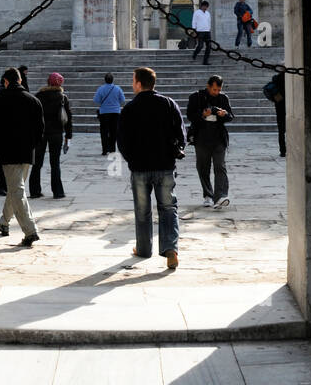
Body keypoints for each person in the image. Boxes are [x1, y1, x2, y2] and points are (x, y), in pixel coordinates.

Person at [116, 65, 186, 270]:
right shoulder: (168, 104)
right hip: (164, 166)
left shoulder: (129, 108)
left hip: (140, 168)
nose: (131, 84)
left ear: (139, 83)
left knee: (142, 210)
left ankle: (144, 248)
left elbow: (122, 140)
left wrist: (131, 160)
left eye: (132, 80)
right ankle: (171, 250)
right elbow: (181, 134)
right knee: (168, 208)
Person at [0, 66, 44, 246]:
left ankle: (30, 231)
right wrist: (31, 145)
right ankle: (4, 223)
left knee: (16, 190)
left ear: (5, 81)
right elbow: (40, 130)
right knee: (16, 189)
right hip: (27, 152)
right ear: (19, 80)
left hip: (7, 152)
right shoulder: (33, 100)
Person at [186, 74, 235, 208]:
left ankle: (221, 196)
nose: (217, 92)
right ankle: (208, 194)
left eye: (219, 90)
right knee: (203, 167)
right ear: (208, 86)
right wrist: (203, 114)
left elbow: (231, 116)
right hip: (201, 136)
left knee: (220, 166)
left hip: (218, 137)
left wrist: (224, 114)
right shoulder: (196, 97)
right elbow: (189, 115)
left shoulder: (223, 98)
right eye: (214, 90)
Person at [29, 71, 72, 199]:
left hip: (40, 133)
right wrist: (68, 135)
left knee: (37, 163)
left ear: (48, 82)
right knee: (55, 163)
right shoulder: (63, 98)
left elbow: (33, 117)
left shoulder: (38, 96)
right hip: (56, 134)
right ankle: (58, 192)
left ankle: (35, 191)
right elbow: (68, 118)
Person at [93, 72, 125, 155]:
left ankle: (104, 149)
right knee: (114, 131)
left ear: (105, 80)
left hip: (104, 113)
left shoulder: (100, 89)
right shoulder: (118, 89)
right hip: (115, 112)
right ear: (112, 80)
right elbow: (122, 100)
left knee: (104, 131)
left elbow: (96, 100)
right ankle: (112, 148)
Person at [264, 72, 286, 157]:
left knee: (281, 131)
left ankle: (282, 151)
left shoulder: (276, 78)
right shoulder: (289, 78)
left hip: (279, 105)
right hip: (288, 104)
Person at [191, 0, 212, 64]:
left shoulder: (208, 13)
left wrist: (209, 29)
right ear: (202, 6)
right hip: (200, 31)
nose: (205, 8)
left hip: (207, 31)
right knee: (200, 45)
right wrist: (194, 30)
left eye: (206, 6)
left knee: (209, 47)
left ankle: (205, 61)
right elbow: (194, 21)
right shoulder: (197, 13)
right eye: (204, 6)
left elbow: (209, 22)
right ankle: (194, 54)